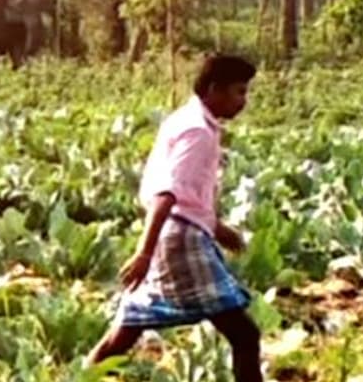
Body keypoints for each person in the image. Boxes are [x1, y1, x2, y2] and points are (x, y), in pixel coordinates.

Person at [85, 54, 262, 381]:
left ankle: (82, 376)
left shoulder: (187, 120)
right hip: (181, 238)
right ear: (214, 89)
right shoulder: (198, 132)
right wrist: (144, 252)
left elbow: (184, 197)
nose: (243, 101)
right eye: (239, 92)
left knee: (130, 326)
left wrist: (219, 230)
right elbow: (167, 193)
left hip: (176, 231)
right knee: (244, 334)